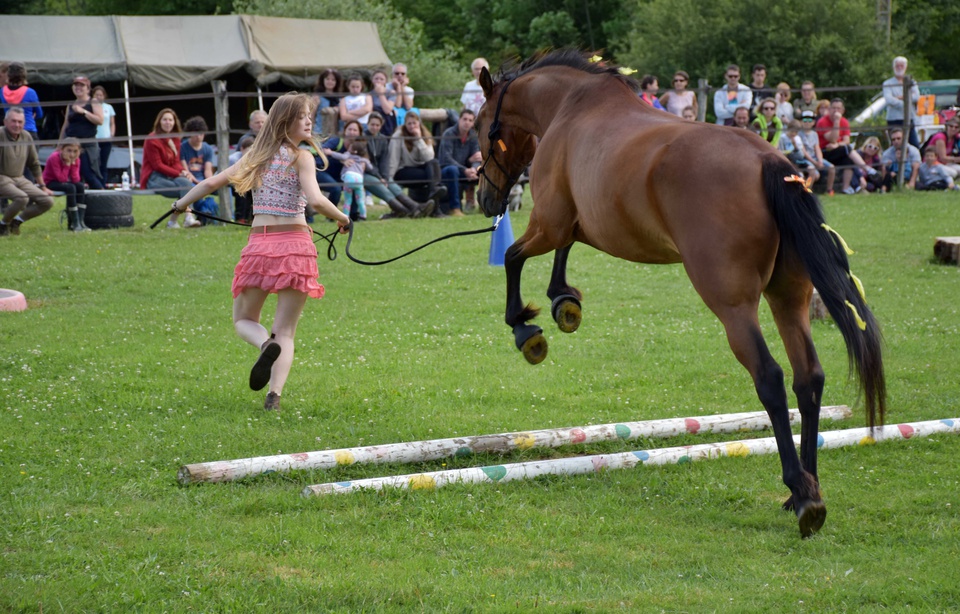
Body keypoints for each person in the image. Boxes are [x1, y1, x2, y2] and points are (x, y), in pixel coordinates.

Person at [169, 92, 351, 412]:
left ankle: (265, 344)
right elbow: (317, 202)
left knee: (243, 319)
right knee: (287, 331)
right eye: (302, 116)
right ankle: (274, 397)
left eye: (309, 115)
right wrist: (344, 218)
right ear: (286, 121)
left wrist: (180, 204)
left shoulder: (255, 155)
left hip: (261, 245)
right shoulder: (302, 157)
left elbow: (212, 183)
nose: (309, 121)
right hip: (297, 246)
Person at [363, 111, 434, 219]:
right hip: (364, 172)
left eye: (377, 125)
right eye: (372, 124)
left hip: (379, 174)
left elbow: (384, 161)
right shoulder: (362, 138)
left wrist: (385, 177)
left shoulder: (382, 140)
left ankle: (414, 207)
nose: (374, 127)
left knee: (393, 186)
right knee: (383, 188)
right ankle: (407, 210)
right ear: (367, 124)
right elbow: (366, 162)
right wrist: (379, 177)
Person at [141, 108, 199, 228]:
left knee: (186, 183)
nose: (168, 122)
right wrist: (178, 174)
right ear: (159, 122)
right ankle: (181, 219)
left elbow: (175, 162)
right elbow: (157, 165)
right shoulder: (152, 140)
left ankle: (180, 220)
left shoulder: (175, 139)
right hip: (154, 177)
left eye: (170, 120)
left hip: (170, 176)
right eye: (165, 120)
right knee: (185, 189)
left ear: (174, 122)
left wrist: (184, 172)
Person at [0, 107, 54, 236]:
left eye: (20, 122)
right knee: (22, 198)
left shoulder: (26, 136)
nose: (17, 125)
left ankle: (17, 221)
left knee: (47, 201)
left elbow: (34, 163)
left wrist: (43, 186)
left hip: (19, 178)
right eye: (13, 121)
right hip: (2, 178)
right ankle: (3, 225)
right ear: (5, 121)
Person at [387, 110, 446, 215]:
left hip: (423, 169)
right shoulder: (398, 136)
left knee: (434, 163)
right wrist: (389, 178)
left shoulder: (425, 134)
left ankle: (434, 193)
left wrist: (418, 139)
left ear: (419, 123)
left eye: (414, 123)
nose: (412, 126)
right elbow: (393, 158)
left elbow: (429, 157)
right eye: (409, 123)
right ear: (405, 124)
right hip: (403, 170)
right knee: (432, 177)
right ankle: (436, 208)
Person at [815, 98, 879, 194]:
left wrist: (837, 145)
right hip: (825, 152)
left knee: (848, 160)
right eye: (833, 108)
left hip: (838, 150)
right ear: (829, 109)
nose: (836, 111)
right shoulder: (822, 122)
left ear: (843, 110)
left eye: (838, 108)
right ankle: (867, 169)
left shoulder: (844, 122)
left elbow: (846, 141)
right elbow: (832, 139)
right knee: (847, 149)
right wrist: (836, 122)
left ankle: (845, 188)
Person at [60, 75, 104, 189]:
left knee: (88, 174)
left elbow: (100, 120)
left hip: (87, 146)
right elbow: (65, 125)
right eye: (76, 85)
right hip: (71, 145)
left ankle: (104, 198)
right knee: (73, 178)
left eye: (81, 85)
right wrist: (59, 144)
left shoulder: (93, 102)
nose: (78, 87)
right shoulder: (70, 105)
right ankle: (77, 205)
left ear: (88, 89)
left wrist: (83, 111)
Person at [439, 108, 482, 216]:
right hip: (446, 170)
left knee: (483, 170)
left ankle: (484, 205)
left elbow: (477, 156)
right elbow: (446, 158)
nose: (467, 122)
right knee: (453, 170)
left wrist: (473, 169)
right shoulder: (449, 134)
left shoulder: (473, 136)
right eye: (465, 119)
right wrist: (465, 169)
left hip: (467, 170)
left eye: (470, 120)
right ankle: (455, 208)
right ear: (459, 120)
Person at [42, 137, 88, 231]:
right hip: (51, 182)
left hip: (65, 182)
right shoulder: (54, 157)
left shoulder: (76, 159)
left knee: (80, 186)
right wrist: (67, 164)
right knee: (71, 188)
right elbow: (61, 178)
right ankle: (74, 223)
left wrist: (74, 164)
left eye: (75, 151)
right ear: (62, 149)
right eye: (69, 151)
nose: (72, 154)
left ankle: (80, 221)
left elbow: (76, 179)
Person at [180, 116, 219, 224]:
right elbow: (185, 169)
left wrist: (210, 181)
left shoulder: (207, 148)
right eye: (195, 134)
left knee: (226, 188)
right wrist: (198, 183)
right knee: (193, 190)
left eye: (201, 134)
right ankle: (200, 214)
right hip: (190, 180)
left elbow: (208, 169)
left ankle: (229, 216)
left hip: (203, 180)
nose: (198, 137)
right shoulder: (182, 147)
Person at [883, 56, 921, 148]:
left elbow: (916, 97)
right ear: (893, 67)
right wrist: (906, 101)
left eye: (901, 66)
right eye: (897, 66)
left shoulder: (912, 82)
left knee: (914, 144)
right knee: (896, 144)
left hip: (909, 118)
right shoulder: (887, 83)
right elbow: (889, 100)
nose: (899, 68)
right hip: (894, 119)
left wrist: (900, 97)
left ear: (905, 67)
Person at [0, 62, 43, 139]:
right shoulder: (30, 92)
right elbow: (40, 114)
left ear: (8, 76)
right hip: (29, 131)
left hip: (10, 132)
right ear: (24, 76)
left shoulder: (2, 91)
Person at [798, 110, 836, 193]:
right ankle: (806, 191)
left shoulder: (814, 134)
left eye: (810, 120)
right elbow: (803, 151)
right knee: (815, 174)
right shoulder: (799, 134)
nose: (807, 122)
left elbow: (817, 148)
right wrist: (815, 163)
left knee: (832, 168)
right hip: (805, 158)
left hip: (815, 157)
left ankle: (829, 190)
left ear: (813, 122)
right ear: (801, 122)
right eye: (804, 120)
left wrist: (820, 160)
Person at [92, 86, 116, 185]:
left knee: (104, 163)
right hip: (95, 139)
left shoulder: (108, 107)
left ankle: (103, 184)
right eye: (96, 95)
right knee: (95, 163)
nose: (98, 97)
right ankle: (95, 184)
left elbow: (112, 123)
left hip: (106, 139)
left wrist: (112, 134)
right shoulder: (91, 107)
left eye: (101, 95)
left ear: (104, 96)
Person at [229, 135, 255, 223]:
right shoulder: (234, 159)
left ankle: (251, 217)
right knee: (242, 192)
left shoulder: (255, 159)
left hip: (248, 184)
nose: (250, 155)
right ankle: (240, 217)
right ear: (242, 149)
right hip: (231, 184)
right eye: (248, 152)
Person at [312, 68, 343, 133]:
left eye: (333, 80)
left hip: (335, 134)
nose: (330, 82)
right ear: (322, 80)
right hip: (319, 132)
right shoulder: (317, 97)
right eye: (327, 79)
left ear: (337, 82)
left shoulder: (340, 99)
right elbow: (311, 115)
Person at [369, 69, 397, 136]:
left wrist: (381, 94)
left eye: (381, 79)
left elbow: (387, 110)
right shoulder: (369, 94)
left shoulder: (391, 93)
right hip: (374, 118)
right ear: (372, 80)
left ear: (385, 81)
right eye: (376, 79)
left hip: (386, 120)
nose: (378, 81)